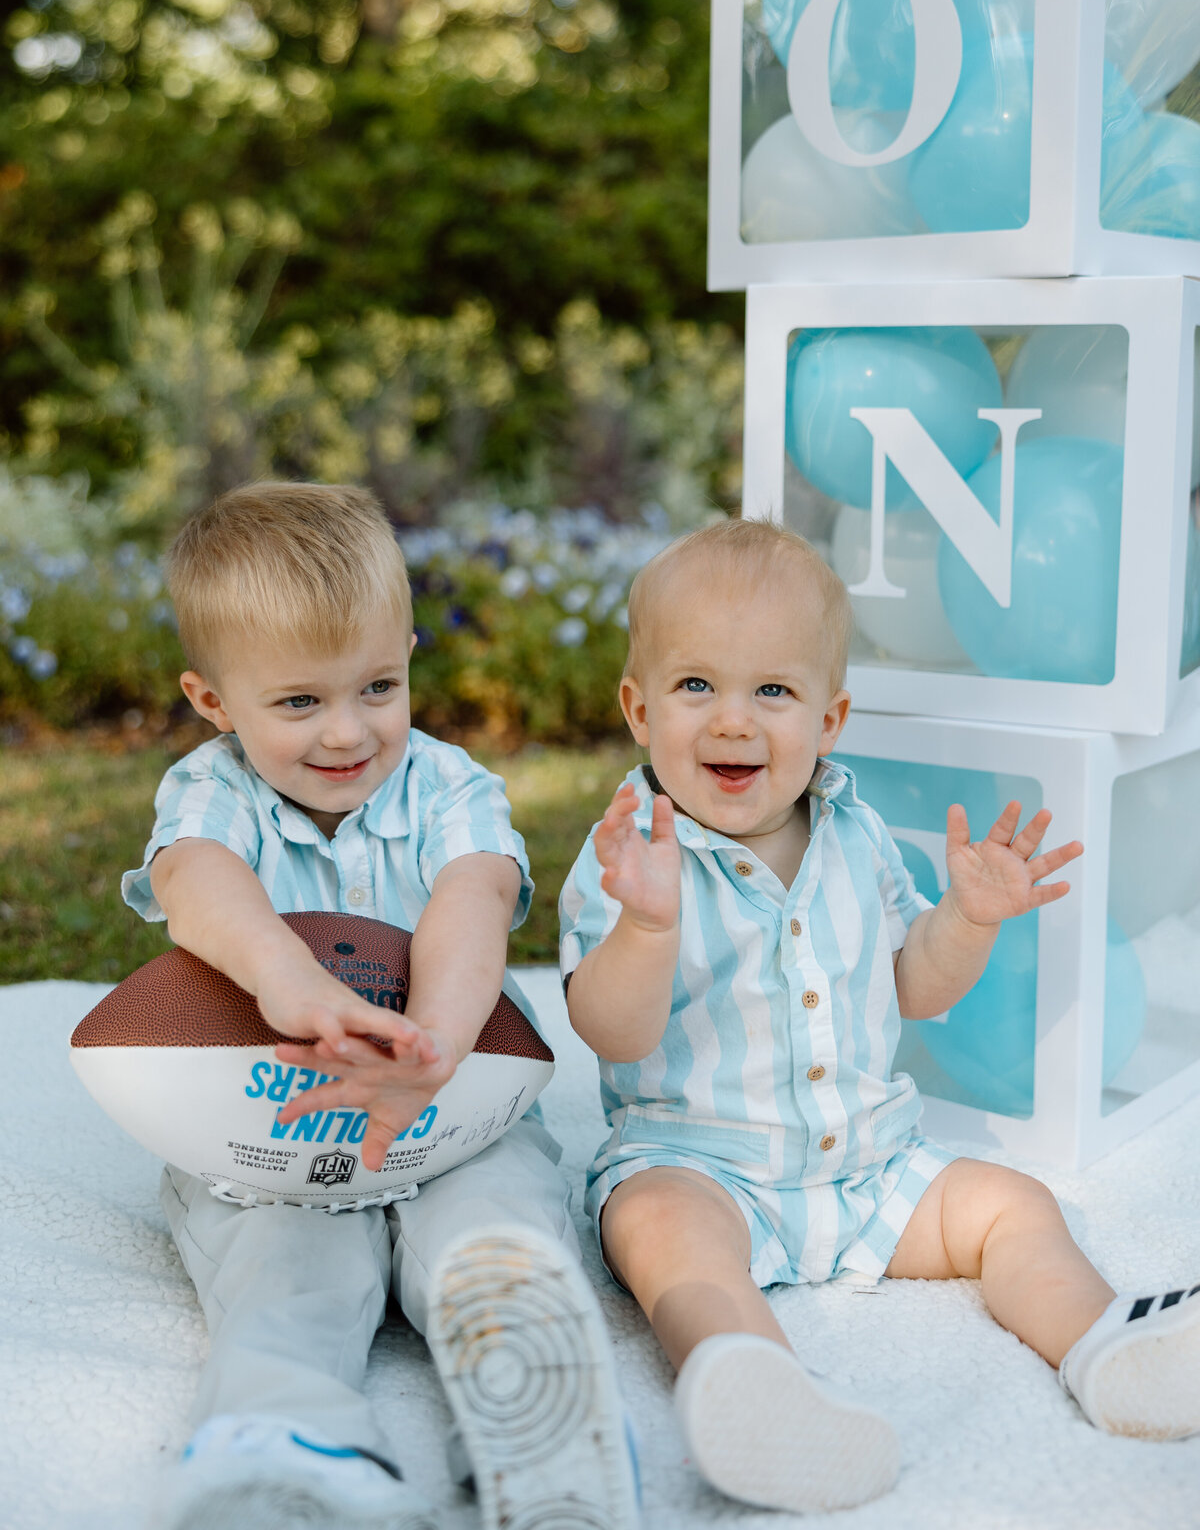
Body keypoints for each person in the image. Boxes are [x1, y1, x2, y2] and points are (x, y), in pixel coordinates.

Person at [559, 516, 1200, 1516]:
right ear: (639, 710)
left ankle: (1102, 1343)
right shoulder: (632, 856)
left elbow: (912, 987)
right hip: (700, 1163)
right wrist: (645, 927)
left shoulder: (855, 836)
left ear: (831, 719)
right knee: (657, 1233)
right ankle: (758, 1389)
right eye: (697, 686)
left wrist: (969, 921)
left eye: (773, 690)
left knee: (1012, 1206)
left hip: (869, 1165)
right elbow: (611, 1033)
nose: (734, 721)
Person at [123, 481, 638, 1530]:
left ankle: (532, 1398)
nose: (347, 732)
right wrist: (290, 981)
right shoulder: (212, 790)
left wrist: (436, 1043)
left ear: (408, 651)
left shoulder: (449, 787)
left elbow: (472, 900)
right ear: (214, 701)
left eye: (378, 686)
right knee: (285, 1265)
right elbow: (197, 883)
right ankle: (283, 1437)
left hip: (456, 1101)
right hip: (277, 1110)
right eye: (299, 703)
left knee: (493, 1221)